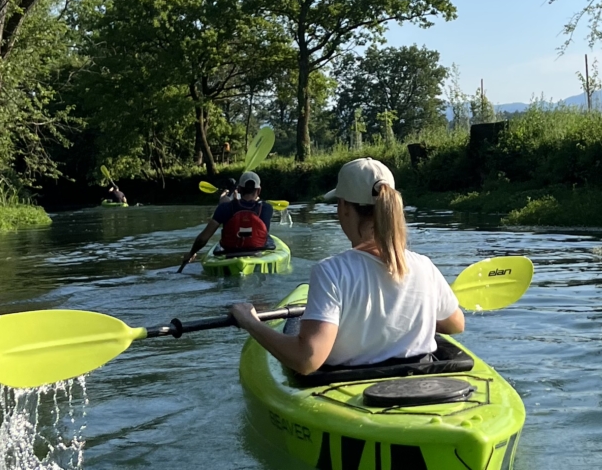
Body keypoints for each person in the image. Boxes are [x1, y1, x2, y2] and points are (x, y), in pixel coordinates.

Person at [227, 158, 464, 375]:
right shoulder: (424, 266)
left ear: (345, 208)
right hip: (422, 384)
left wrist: (250, 322)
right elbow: (455, 324)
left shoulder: (331, 272)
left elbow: (307, 360)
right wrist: (407, 314)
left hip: (351, 389)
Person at [178, 172, 274, 272]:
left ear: (239, 189)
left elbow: (203, 239)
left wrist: (191, 253)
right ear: (259, 190)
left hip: (230, 255)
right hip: (256, 254)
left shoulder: (225, 208)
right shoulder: (267, 208)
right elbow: (252, 205)